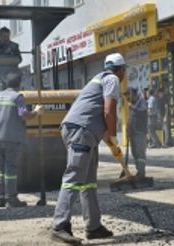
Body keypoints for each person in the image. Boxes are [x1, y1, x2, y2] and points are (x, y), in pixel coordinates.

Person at [51, 53, 126, 244]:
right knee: (74, 177)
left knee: (88, 181)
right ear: (121, 69)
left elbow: (97, 115)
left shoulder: (98, 78)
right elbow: (108, 111)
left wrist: (110, 142)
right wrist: (114, 135)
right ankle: (60, 225)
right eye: (124, 70)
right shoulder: (112, 79)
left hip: (81, 131)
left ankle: (93, 226)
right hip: (81, 131)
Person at [0, 69, 44, 208]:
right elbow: (23, 115)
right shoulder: (17, 97)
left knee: (1, 169)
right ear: (19, 84)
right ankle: (12, 199)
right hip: (10, 138)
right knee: (10, 169)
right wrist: (36, 111)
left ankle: (1, 198)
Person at [127, 87, 148, 177]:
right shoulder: (133, 103)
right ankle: (138, 170)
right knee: (134, 152)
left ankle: (141, 172)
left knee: (140, 153)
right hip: (133, 132)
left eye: (129, 95)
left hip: (140, 132)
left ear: (133, 94)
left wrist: (133, 107)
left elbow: (143, 111)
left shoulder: (141, 101)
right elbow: (131, 119)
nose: (128, 98)